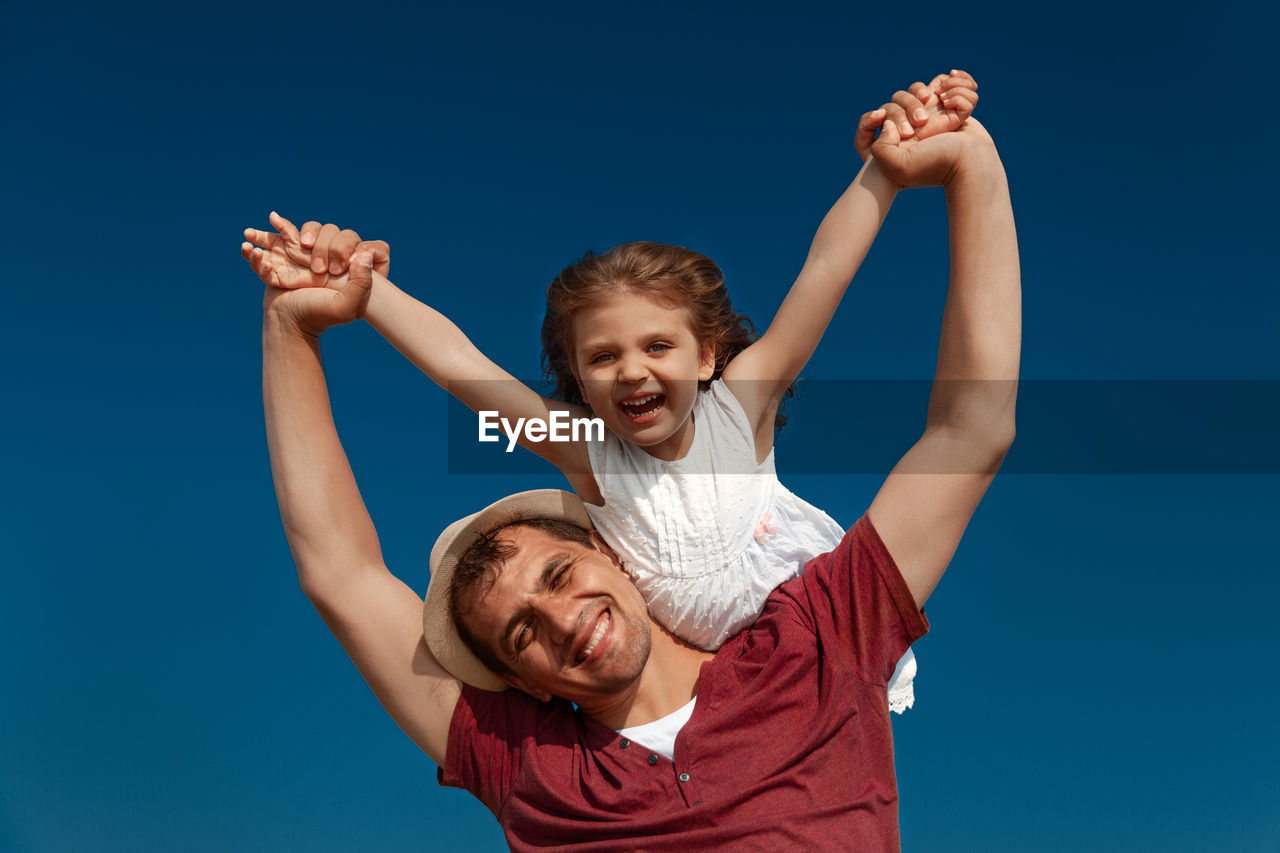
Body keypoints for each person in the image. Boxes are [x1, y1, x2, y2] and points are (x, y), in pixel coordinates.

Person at [249, 75, 1019, 850]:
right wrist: (320, 313)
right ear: (520, 684)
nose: (559, 618)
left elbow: (961, 419)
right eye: (518, 634)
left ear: (610, 553)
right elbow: (347, 560)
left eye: (555, 575)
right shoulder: (530, 765)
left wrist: (953, 167)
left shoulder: (817, 642)